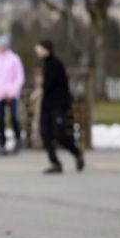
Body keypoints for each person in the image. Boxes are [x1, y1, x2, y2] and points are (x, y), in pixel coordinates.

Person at [36, 39, 84, 174]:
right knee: (45, 134)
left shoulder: (56, 64)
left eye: (39, 48)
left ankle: (76, 153)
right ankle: (55, 162)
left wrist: (40, 89)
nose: (37, 51)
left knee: (60, 134)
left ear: (45, 49)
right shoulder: (45, 64)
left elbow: (50, 84)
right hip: (46, 105)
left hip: (58, 105)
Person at [0, 35, 25, 156]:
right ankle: (2, 143)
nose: (0, 47)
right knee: (0, 119)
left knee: (13, 117)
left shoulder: (14, 59)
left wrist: (12, 92)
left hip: (10, 94)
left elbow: (19, 77)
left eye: (2, 45)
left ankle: (18, 139)